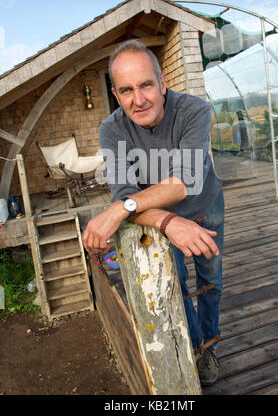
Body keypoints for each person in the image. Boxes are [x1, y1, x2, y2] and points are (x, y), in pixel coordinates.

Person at [82, 39, 224, 386]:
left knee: (210, 280)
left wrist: (121, 208)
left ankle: (210, 341)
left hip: (206, 208)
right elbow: (126, 193)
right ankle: (195, 345)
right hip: (161, 222)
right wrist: (167, 220)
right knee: (174, 283)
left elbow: (184, 181)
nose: (139, 99)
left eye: (146, 84)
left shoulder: (194, 110)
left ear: (162, 84)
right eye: (127, 90)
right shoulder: (112, 129)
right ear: (116, 95)